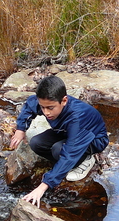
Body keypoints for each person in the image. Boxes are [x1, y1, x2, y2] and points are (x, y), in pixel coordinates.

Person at [10, 75, 109, 207]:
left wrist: (43, 186)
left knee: (59, 151)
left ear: (64, 100)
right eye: (43, 107)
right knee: (36, 143)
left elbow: (69, 155)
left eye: (50, 108)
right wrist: (20, 129)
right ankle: (64, 165)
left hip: (92, 140)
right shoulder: (47, 102)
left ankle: (87, 159)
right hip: (66, 132)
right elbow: (30, 104)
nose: (46, 112)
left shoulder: (78, 118)